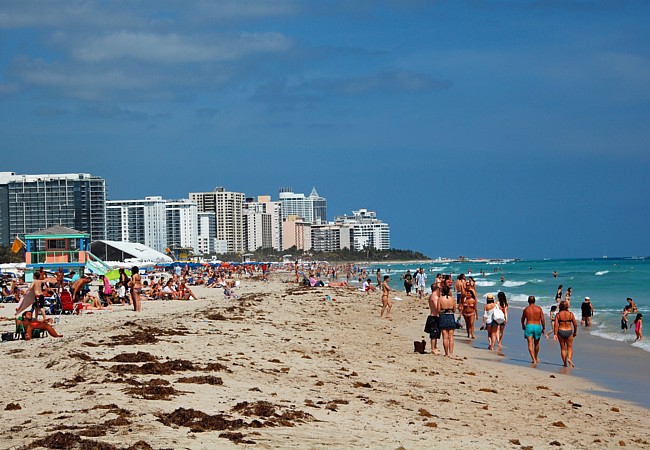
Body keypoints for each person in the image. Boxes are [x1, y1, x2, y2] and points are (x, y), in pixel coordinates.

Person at [521, 295, 545, 364]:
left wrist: (523, 325)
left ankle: (533, 359)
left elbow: (522, 319)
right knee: (537, 344)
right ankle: (536, 357)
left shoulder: (526, 309)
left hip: (529, 326)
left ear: (528, 301)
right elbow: (542, 319)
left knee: (530, 344)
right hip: (537, 326)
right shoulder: (539, 309)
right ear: (534, 301)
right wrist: (544, 328)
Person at [553, 301, 577, 367]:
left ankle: (565, 363)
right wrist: (575, 332)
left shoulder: (558, 314)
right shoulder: (571, 314)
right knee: (570, 348)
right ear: (567, 306)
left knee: (563, 348)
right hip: (569, 331)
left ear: (560, 306)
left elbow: (555, 324)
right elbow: (575, 324)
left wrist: (555, 334)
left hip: (561, 331)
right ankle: (569, 359)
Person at [438, 285, 457, 358]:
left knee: (445, 337)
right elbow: (454, 310)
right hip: (450, 315)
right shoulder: (452, 299)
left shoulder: (440, 299)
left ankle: (446, 353)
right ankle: (451, 353)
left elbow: (438, 309)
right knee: (451, 337)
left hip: (443, 316)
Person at [427, 284, 441, 355]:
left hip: (433, 315)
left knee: (435, 333)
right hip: (434, 316)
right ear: (437, 289)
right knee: (434, 334)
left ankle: (434, 347)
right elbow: (436, 307)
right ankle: (433, 348)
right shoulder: (434, 297)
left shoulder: (431, 296)